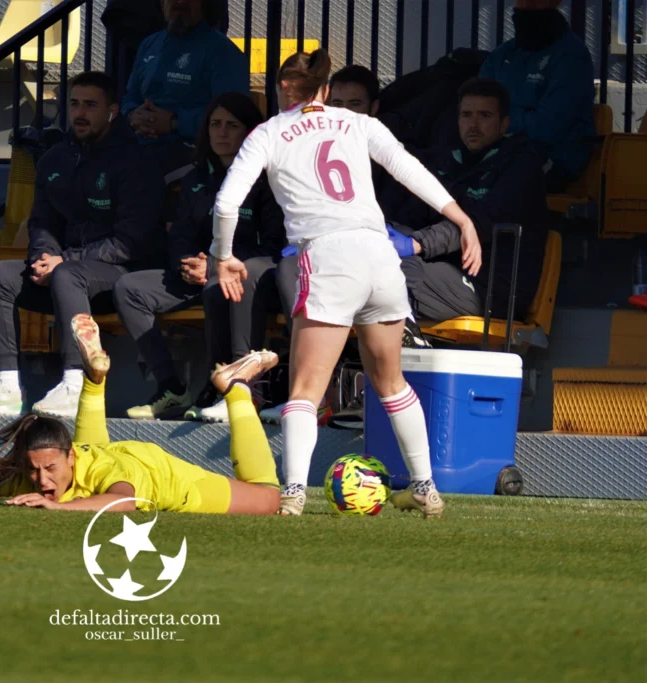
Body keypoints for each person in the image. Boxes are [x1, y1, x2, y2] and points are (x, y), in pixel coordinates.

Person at [211, 50, 482, 518]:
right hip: (379, 257)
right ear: (325, 89)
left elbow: (226, 205)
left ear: (282, 89)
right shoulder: (358, 123)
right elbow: (408, 168)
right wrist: (461, 218)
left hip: (329, 256)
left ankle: (293, 495)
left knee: (304, 390)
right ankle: (425, 487)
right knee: (392, 383)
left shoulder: (269, 132)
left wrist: (223, 256)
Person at [0, 314, 281, 515]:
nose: (41, 480)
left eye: (50, 469)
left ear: (68, 456)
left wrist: (56, 507)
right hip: (99, 453)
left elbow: (122, 500)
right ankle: (95, 379)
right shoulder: (25, 472)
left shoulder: (109, 474)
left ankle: (233, 389)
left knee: (267, 498)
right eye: (35, 470)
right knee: (92, 459)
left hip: (163, 477)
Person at [0, 72, 164, 421]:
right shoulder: (54, 159)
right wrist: (42, 257)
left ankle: (75, 383)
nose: (80, 113)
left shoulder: (135, 162)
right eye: (75, 104)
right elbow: (42, 222)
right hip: (67, 271)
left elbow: (132, 241)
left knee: (67, 274)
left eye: (91, 106)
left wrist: (63, 261)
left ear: (112, 111)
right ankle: (7, 385)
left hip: (123, 274)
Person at [113, 92, 284, 422]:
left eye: (231, 125)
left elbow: (274, 245)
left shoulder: (266, 180)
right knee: (128, 287)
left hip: (246, 275)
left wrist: (214, 266)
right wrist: (186, 262)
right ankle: (170, 386)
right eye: (215, 124)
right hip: (199, 272)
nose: (221, 132)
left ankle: (225, 383)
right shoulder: (196, 177)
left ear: (251, 132)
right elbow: (180, 234)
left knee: (217, 283)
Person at [264, 63, 386, 425]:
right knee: (286, 269)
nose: (344, 112)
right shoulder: (297, 144)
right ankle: (312, 394)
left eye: (355, 104)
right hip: (322, 254)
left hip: (381, 256)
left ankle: (365, 400)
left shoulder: (377, 143)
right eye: (338, 102)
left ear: (373, 108)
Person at [385, 78, 548, 324]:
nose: (473, 124)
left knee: (391, 274)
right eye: (466, 115)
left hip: (488, 288)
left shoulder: (522, 167)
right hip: (438, 267)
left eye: (484, 116)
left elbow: (480, 224)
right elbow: (413, 215)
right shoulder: (448, 161)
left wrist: (416, 244)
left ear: (504, 124)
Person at [121, 0, 249, 180]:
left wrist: (174, 123)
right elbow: (129, 98)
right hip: (139, 142)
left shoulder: (223, 52)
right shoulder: (149, 44)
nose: (179, 2)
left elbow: (235, 115)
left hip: (191, 150)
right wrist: (132, 115)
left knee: (138, 177)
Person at [478, 0, 595, 192]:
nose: (524, 12)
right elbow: (477, 106)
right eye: (520, 7)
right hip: (499, 150)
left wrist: (496, 122)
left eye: (533, 6)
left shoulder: (571, 56)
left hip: (554, 160)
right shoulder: (503, 54)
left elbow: (548, 126)